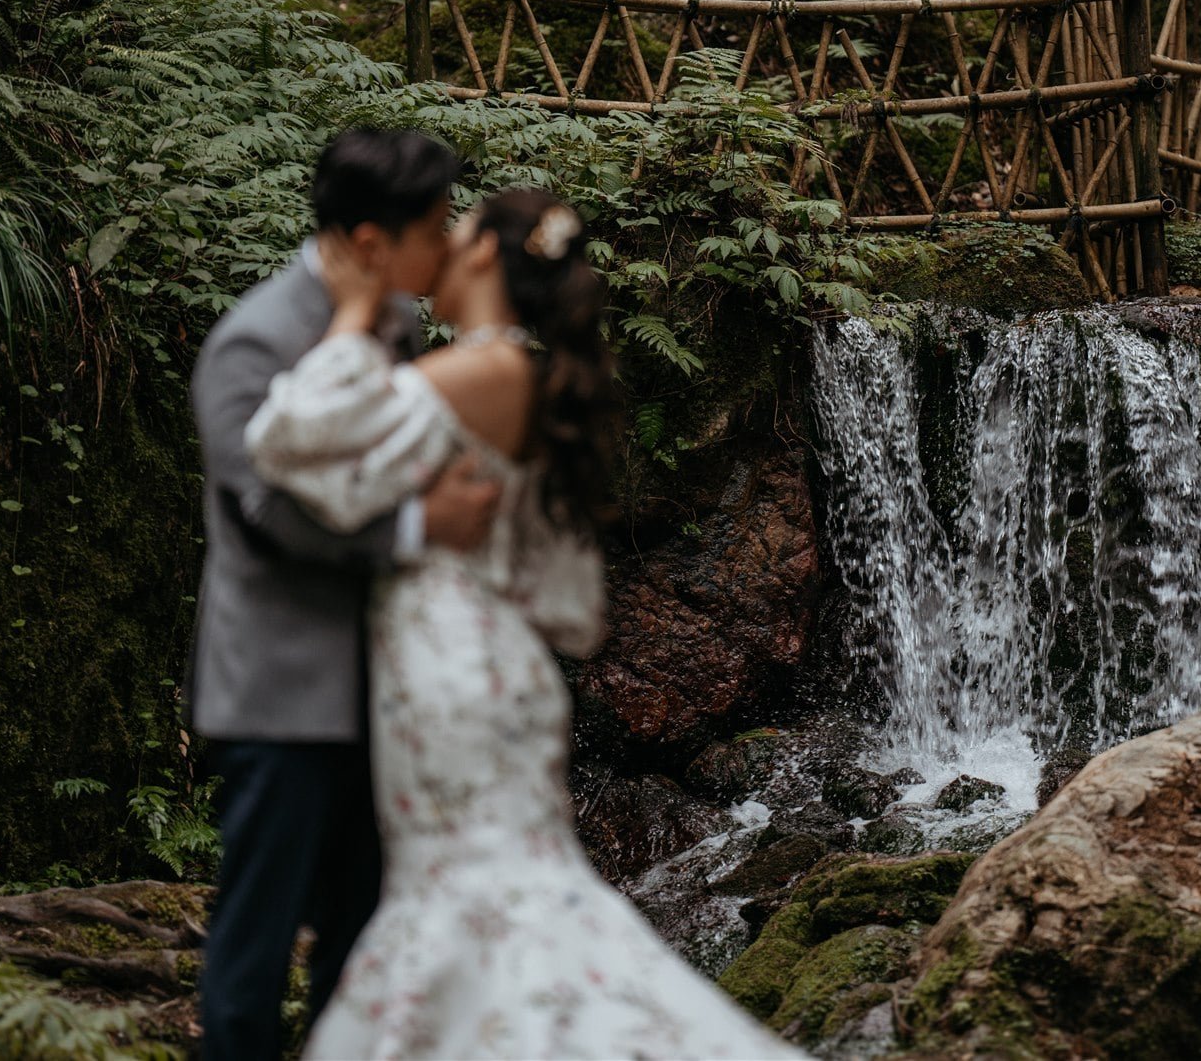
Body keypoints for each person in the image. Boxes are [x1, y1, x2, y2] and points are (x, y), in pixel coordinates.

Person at [246, 187, 807, 1060]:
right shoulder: (512, 376)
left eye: (458, 229)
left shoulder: (485, 370)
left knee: (470, 905)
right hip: (488, 660)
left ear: (480, 257)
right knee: (498, 902)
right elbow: (573, 613)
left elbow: (286, 437)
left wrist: (354, 314)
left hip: (448, 671)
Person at [187, 128, 503, 1061]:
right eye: (435, 228)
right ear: (373, 242)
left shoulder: (397, 322)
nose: (449, 246)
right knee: (254, 948)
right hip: (280, 695)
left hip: (381, 686)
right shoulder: (251, 342)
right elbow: (264, 513)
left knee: (362, 944)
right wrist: (419, 525)